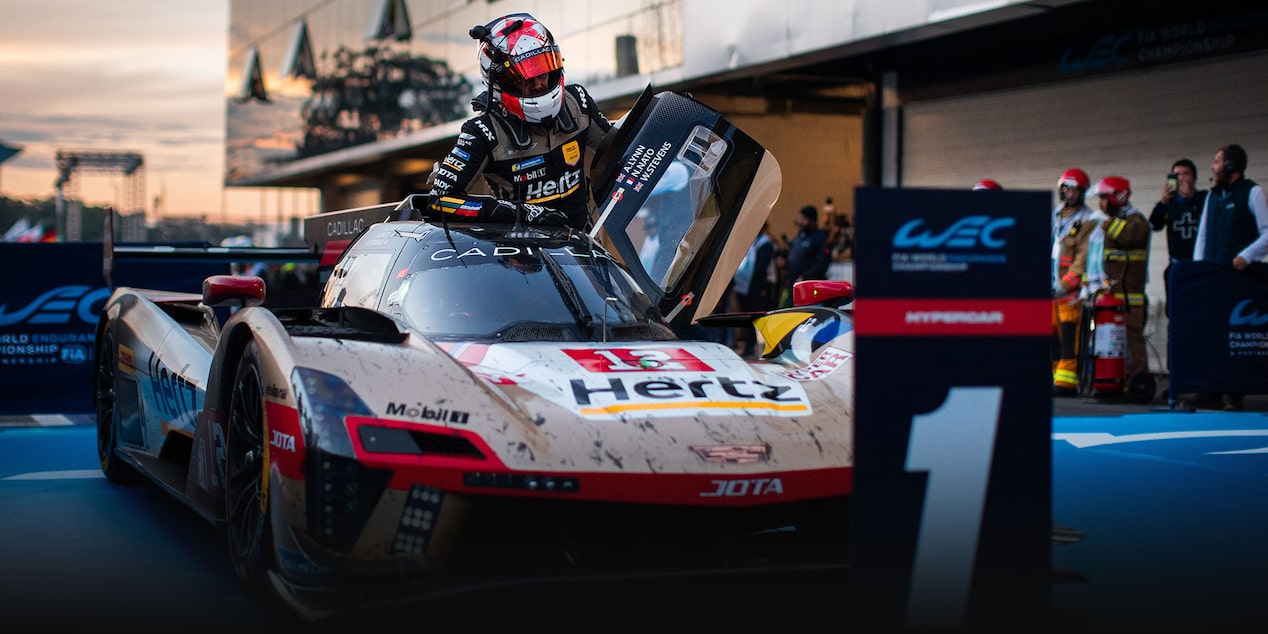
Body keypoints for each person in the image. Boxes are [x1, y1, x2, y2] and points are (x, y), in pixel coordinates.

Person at [425, 13, 613, 230]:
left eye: (543, 70)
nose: (539, 83)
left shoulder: (576, 103)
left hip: (582, 249)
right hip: (520, 256)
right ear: (501, 81)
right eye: (526, 77)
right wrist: (519, 213)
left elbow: (624, 150)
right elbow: (439, 201)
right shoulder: (484, 131)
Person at [1192, 144, 1268, 410]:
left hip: (1238, 276)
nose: (1213, 167)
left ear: (1231, 166)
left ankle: (1234, 392)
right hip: (1212, 275)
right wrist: (1198, 268)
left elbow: (1267, 233)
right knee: (1211, 332)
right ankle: (1211, 388)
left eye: (1217, 161)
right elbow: (1202, 235)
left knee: (1235, 335)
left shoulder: (1253, 192)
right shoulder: (1212, 196)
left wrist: (1246, 256)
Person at [1091, 176, 1151, 396]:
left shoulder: (1136, 221)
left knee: (1132, 338)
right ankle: (1114, 380)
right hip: (1114, 294)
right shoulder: (1115, 220)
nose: (1101, 203)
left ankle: (1138, 381)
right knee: (1112, 341)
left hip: (1131, 296)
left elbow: (1129, 237)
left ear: (1118, 196)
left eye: (1104, 197)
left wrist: (1107, 224)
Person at [1051, 168, 1097, 397]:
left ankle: (1067, 379)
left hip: (1069, 290)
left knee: (1069, 333)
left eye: (1076, 190)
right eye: (1067, 189)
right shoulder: (1055, 215)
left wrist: (1066, 284)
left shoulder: (1087, 219)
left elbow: (1082, 257)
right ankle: (1054, 374)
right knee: (1050, 334)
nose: (1071, 194)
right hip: (1049, 286)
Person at [1148, 158, 1206, 314]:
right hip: (1177, 265)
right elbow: (1153, 225)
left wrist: (1189, 200)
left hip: (1200, 264)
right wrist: (1163, 202)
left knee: (1201, 308)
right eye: (1177, 175)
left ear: (1194, 177)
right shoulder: (1169, 203)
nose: (1181, 178)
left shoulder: (1204, 199)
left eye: (1185, 174)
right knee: (1175, 311)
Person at [732, 222, 776, 357]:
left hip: (759, 286)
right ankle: (749, 346)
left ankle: (764, 348)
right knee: (748, 317)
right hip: (746, 287)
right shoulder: (751, 242)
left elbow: (761, 266)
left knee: (760, 317)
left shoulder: (765, 243)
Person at [781, 205, 830, 307]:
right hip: (793, 283)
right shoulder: (800, 235)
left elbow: (821, 262)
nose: (800, 222)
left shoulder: (819, 237)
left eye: (803, 219)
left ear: (812, 221)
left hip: (808, 285)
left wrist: (805, 276)